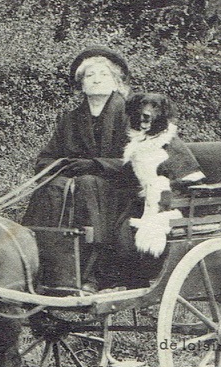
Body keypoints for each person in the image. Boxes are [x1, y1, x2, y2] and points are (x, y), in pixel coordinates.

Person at [22, 47, 138, 292]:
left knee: (87, 184)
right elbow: (46, 158)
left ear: (116, 82)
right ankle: (43, 267)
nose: (96, 80)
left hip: (123, 190)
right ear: (81, 84)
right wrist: (63, 165)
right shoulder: (71, 119)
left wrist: (97, 165)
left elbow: (140, 159)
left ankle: (94, 272)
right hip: (80, 189)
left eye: (103, 74)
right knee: (50, 187)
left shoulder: (131, 116)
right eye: (89, 75)